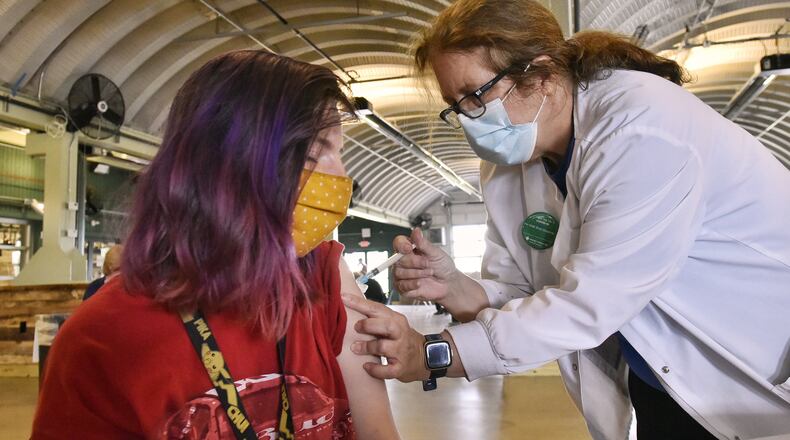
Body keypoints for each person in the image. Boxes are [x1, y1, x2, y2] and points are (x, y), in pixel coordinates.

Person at [342, 1, 790, 439]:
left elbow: (587, 303)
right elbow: (526, 292)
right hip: (667, 380)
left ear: (541, 75)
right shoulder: (509, 163)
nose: (468, 120)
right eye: (454, 104)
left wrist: (432, 353)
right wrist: (454, 286)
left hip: (753, 370)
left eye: (475, 96)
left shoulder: (643, 129)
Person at [32, 51, 399, 439]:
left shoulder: (322, 280)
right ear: (228, 164)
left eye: (338, 152)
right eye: (311, 153)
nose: (340, 177)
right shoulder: (104, 338)